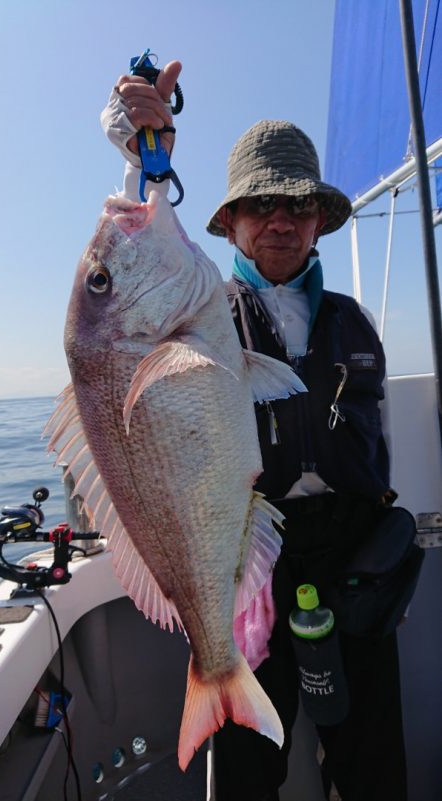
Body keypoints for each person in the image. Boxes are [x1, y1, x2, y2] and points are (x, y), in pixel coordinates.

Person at [101, 61, 408, 801]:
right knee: (243, 781)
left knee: (375, 773)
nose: (280, 219)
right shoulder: (198, 309)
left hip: (354, 567)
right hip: (245, 570)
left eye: (298, 205)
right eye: (261, 203)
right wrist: (143, 154)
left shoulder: (354, 322)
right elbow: (140, 266)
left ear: (318, 221)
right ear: (231, 221)